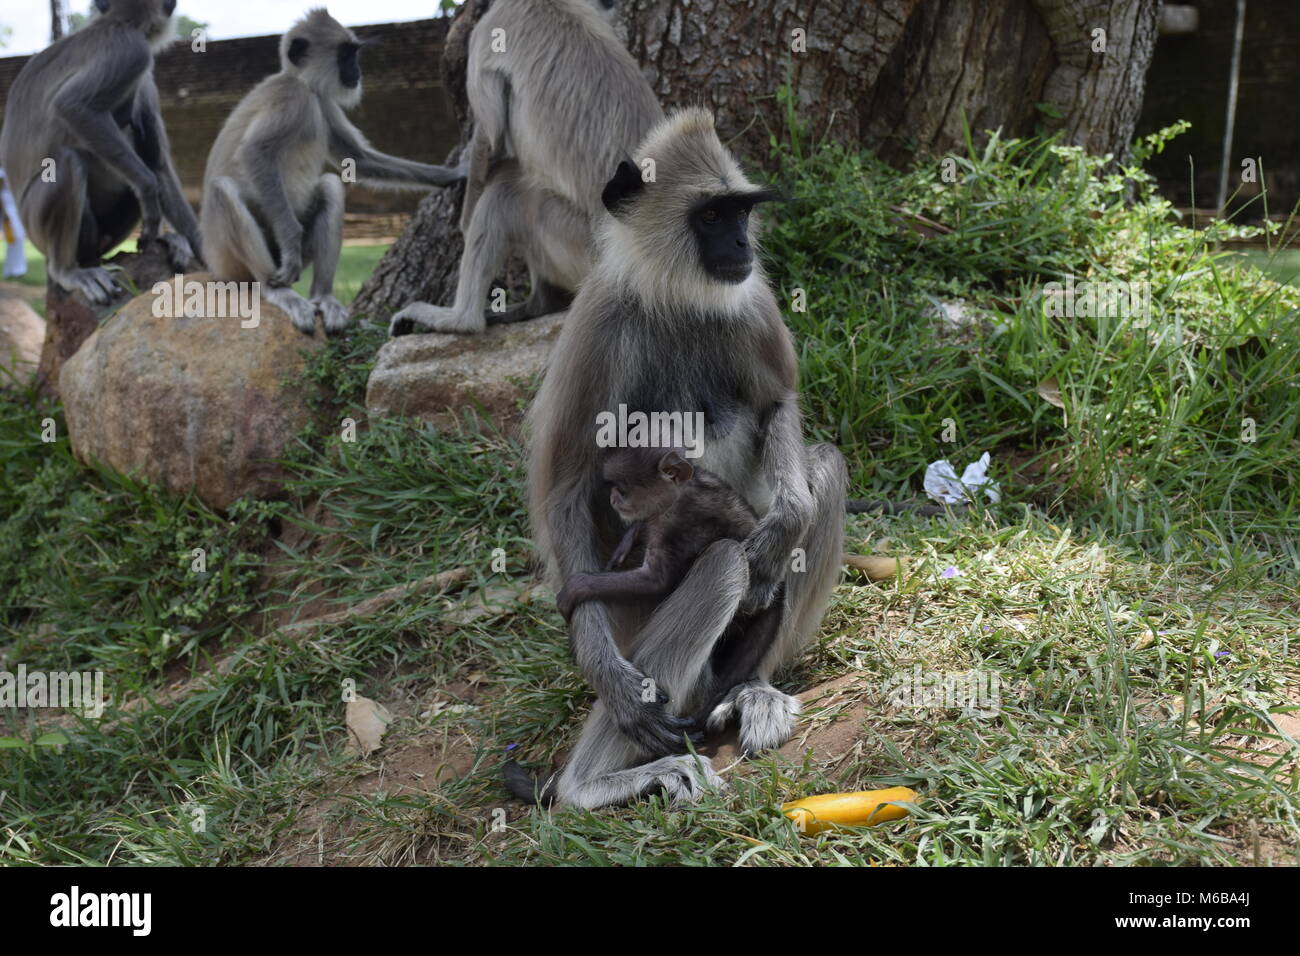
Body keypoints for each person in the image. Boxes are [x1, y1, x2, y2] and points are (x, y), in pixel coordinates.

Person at [0, 166, 28, 279]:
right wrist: (5, 213)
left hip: (15, 207)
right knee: (15, 238)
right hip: (8, 209)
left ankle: (15, 269)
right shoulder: (2, 172)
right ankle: (15, 269)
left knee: (18, 238)